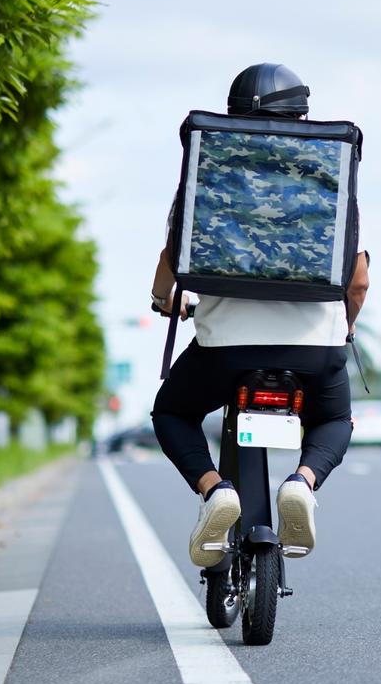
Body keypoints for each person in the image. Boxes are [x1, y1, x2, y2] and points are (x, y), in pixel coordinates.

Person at [148, 62, 369, 568]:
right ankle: (302, 482)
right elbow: (357, 280)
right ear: (302, 111)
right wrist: (347, 326)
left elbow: (169, 263)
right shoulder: (330, 176)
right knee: (334, 418)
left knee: (172, 413)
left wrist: (167, 302)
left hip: (225, 347)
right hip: (314, 350)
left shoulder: (209, 172)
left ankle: (215, 491)